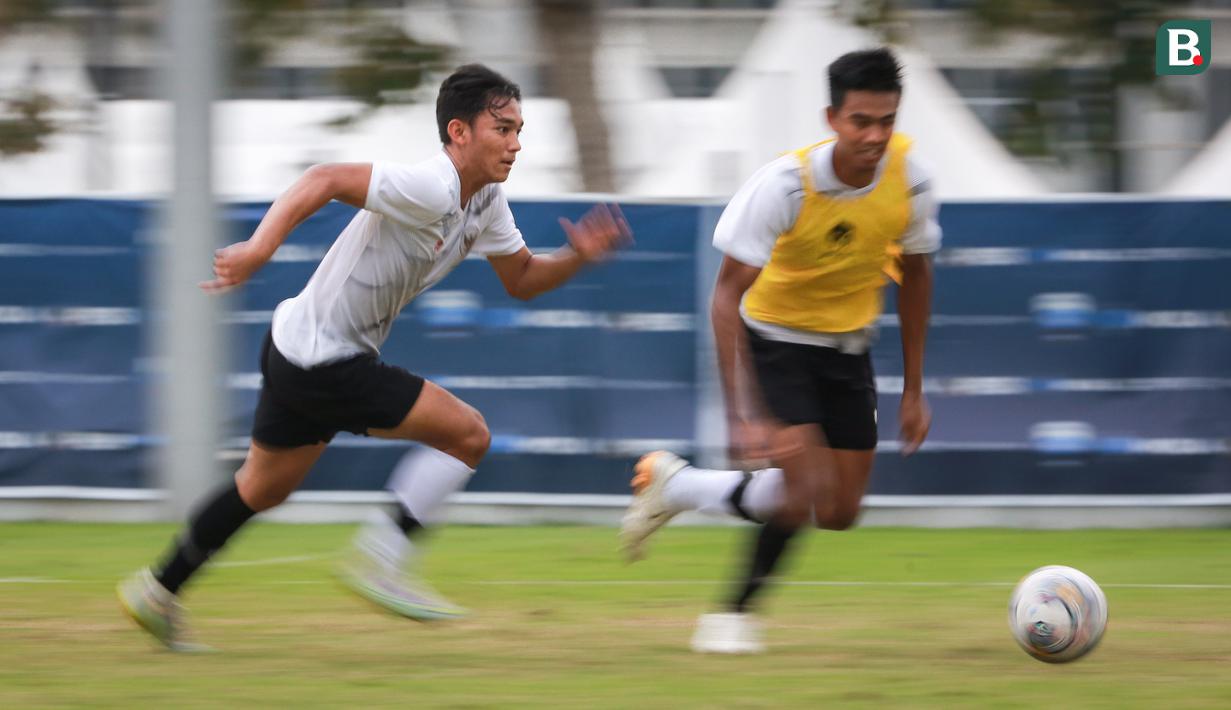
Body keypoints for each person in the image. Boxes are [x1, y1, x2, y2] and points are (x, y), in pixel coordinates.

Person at [118, 63, 630, 651]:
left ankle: (158, 590)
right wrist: (260, 247)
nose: (516, 144)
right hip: (324, 360)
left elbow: (522, 279)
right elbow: (326, 177)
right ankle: (381, 560)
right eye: (502, 129)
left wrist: (576, 255)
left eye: (519, 129)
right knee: (469, 436)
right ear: (459, 132)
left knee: (260, 489)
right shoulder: (431, 186)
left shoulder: (486, 200)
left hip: (294, 347)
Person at [620, 48, 939, 654]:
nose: (874, 136)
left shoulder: (912, 181)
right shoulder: (785, 186)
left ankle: (678, 486)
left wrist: (916, 389)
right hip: (776, 341)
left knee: (839, 510)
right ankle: (730, 618)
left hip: (850, 350)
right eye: (860, 121)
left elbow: (918, 277)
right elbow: (725, 299)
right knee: (799, 490)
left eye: (886, 121)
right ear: (831, 118)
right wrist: (744, 415)